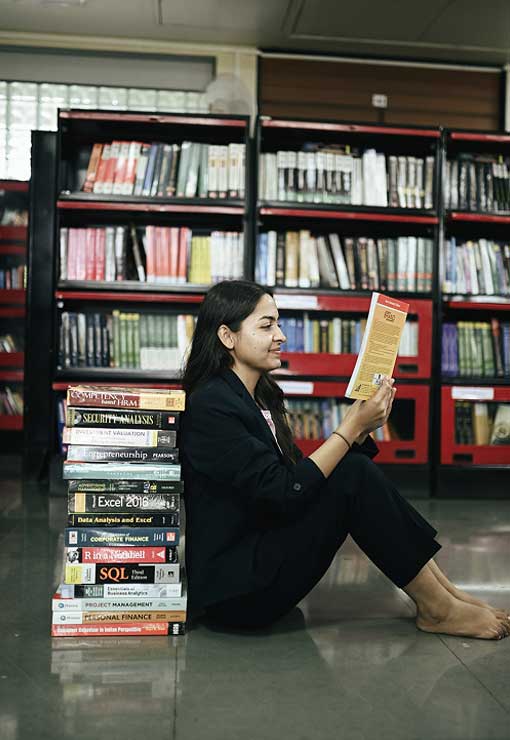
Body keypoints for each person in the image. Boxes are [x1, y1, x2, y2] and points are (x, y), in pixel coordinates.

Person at [180, 280, 509, 639]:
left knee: (354, 471)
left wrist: (362, 429)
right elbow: (283, 490)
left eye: (278, 323)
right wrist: (349, 427)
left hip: (262, 557)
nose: (281, 336)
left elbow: (300, 478)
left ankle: (445, 595)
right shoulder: (210, 405)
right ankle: (437, 608)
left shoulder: (262, 396)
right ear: (227, 337)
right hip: (238, 593)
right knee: (352, 474)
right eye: (266, 325)